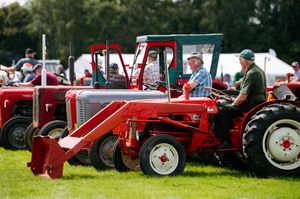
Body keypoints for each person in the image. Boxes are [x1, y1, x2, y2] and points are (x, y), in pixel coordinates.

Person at [214, 49, 267, 148]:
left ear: (245, 61)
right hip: (259, 102)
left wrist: (233, 104)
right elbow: (248, 78)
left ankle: (226, 140)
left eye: (240, 60)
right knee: (228, 105)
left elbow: (242, 96)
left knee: (222, 110)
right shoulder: (257, 70)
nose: (239, 62)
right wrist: (239, 82)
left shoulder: (251, 73)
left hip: (252, 104)